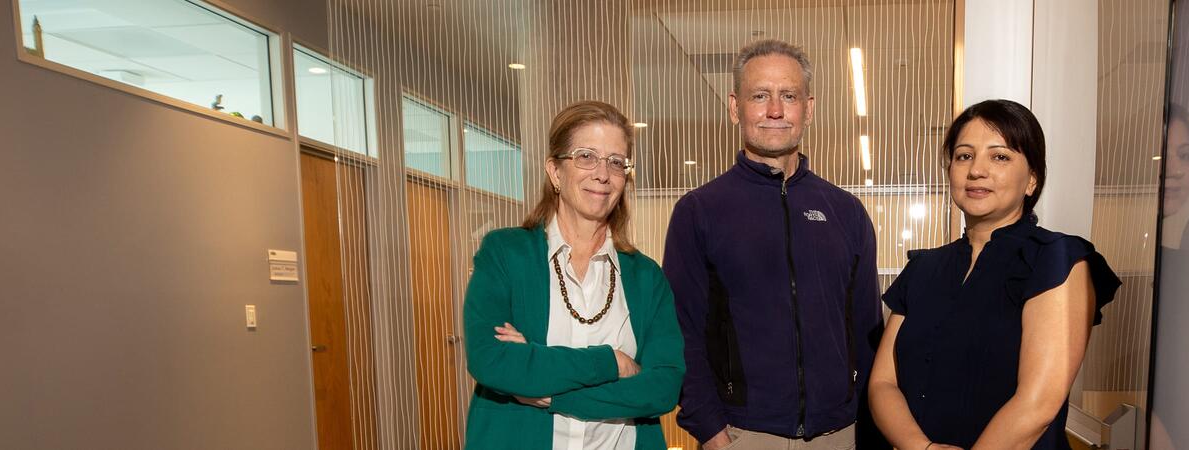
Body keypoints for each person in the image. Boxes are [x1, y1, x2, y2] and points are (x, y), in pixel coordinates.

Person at [665, 38, 882, 450]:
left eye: (789, 96)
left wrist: (864, 426)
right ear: (735, 107)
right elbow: (681, 332)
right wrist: (711, 431)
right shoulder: (699, 211)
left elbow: (867, 331)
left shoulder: (846, 212)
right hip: (742, 434)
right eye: (760, 95)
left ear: (809, 109)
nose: (776, 110)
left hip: (839, 435)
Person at [868, 99, 1120, 450]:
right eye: (964, 156)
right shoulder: (923, 268)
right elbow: (883, 383)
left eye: (999, 156)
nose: (976, 170)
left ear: (1032, 180)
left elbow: (1037, 404)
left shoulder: (1055, 259)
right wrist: (920, 447)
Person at [462, 101, 683, 450]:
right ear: (555, 171)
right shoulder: (505, 253)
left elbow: (663, 388)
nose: (602, 174)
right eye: (586, 157)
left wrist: (551, 391)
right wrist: (611, 362)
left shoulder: (646, 277)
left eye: (616, 162)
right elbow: (491, 360)